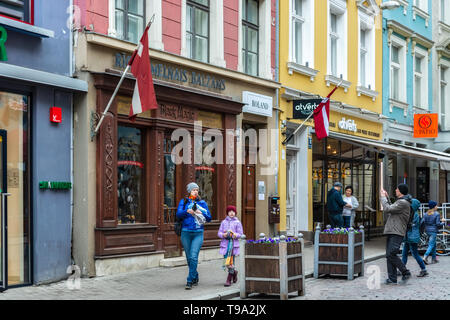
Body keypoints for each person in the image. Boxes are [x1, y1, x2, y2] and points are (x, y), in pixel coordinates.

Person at [176, 182, 212, 290]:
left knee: (193, 256)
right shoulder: (184, 201)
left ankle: (189, 280)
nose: (195, 192)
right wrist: (187, 211)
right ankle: (195, 275)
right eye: (193, 190)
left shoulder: (202, 203)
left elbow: (209, 218)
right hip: (186, 232)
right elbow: (178, 214)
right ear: (189, 191)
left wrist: (200, 212)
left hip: (198, 232)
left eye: (197, 190)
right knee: (189, 258)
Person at [380, 184, 412, 284]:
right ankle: (392, 278)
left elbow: (388, 209)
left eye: (397, 189)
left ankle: (405, 272)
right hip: (392, 230)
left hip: (397, 231)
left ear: (401, 191)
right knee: (389, 255)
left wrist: (382, 198)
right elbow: (392, 208)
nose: (395, 190)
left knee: (391, 254)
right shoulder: (401, 202)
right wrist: (387, 197)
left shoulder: (403, 203)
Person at [401, 198, 428, 277]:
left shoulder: (414, 214)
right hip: (409, 237)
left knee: (415, 254)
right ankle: (402, 269)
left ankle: (423, 269)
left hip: (412, 237)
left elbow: (410, 225)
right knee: (404, 253)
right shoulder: (412, 213)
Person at [218, 205, 243, 287]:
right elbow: (219, 233)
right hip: (225, 245)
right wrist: (224, 234)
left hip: (233, 245)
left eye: (233, 212)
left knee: (231, 261)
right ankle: (234, 272)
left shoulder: (237, 222)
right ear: (227, 213)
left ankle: (228, 279)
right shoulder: (223, 222)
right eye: (230, 212)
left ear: (235, 213)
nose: (232, 213)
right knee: (226, 261)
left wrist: (235, 234)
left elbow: (240, 234)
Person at [422, 200, 445, 265]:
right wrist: (443, 222)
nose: (437, 206)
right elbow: (438, 224)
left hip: (427, 231)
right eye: (436, 205)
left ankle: (434, 259)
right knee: (431, 245)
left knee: (433, 245)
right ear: (434, 207)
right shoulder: (436, 214)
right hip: (433, 231)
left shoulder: (425, 214)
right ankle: (425, 257)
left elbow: (424, 222)